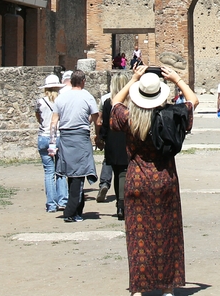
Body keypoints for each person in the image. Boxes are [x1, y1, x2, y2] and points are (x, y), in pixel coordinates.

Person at [110, 65, 199, 296]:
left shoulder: (128, 118)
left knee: (138, 235)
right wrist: (177, 78)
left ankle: (139, 289)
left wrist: (133, 79)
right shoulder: (171, 117)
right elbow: (193, 100)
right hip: (165, 180)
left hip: (137, 181)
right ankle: (167, 286)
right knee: (166, 233)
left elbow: (115, 103)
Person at [48, 70, 99, 223]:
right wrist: (97, 135)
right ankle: (70, 212)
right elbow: (96, 119)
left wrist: (52, 142)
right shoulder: (87, 96)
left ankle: (77, 210)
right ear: (83, 81)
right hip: (80, 137)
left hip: (65, 137)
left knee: (73, 175)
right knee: (77, 174)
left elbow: (53, 122)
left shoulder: (61, 98)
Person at [98, 72, 131, 219]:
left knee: (118, 172)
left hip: (112, 140)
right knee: (125, 173)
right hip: (126, 139)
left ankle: (119, 203)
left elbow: (104, 124)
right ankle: (123, 204)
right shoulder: (131, 102)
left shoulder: (108, 103)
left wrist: (102, 138)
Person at [35, 74, 68, 212]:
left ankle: (51, 204)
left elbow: (39, 117)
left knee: (49, 172)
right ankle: (63, 200)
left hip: (44, 136)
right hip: (59, 136)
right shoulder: (62, 101)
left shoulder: (40, 102)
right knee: (61, 171)